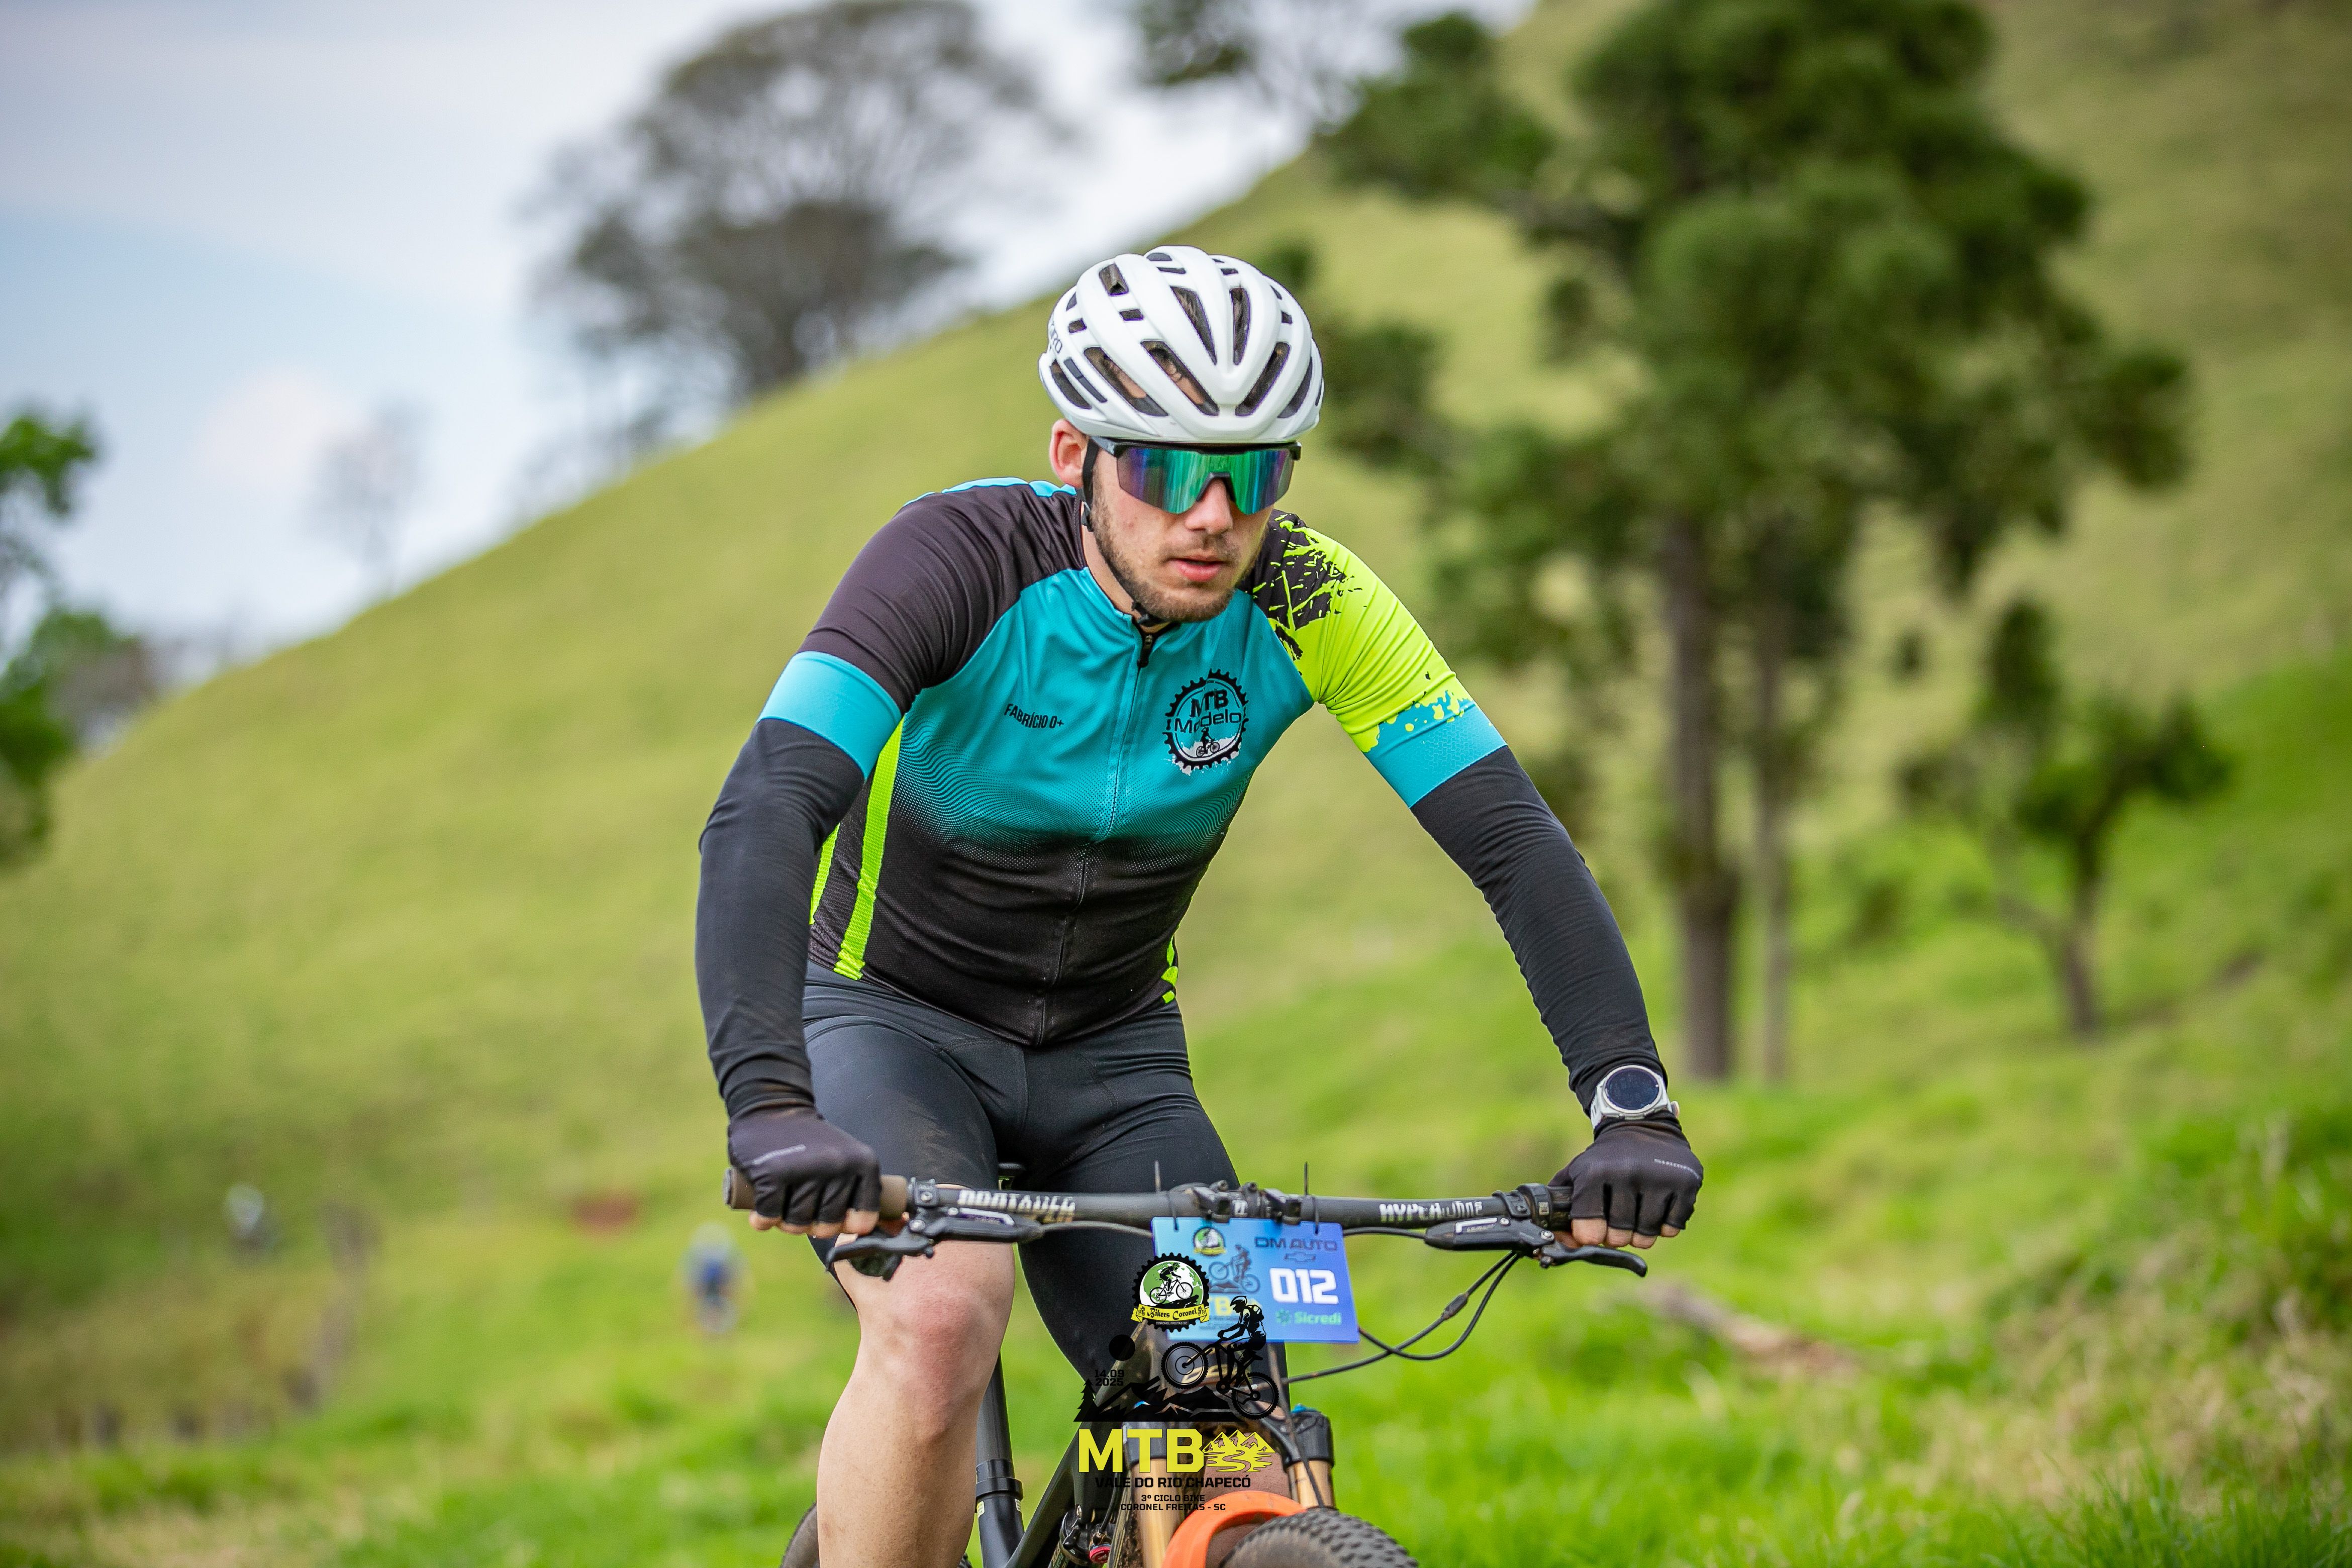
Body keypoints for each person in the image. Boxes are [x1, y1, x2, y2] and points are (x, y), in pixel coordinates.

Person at [696, 245, 1705, 1567]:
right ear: (1075, 455)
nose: (1216, 515)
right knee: (942, 1324)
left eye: (1257, 472)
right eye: (1168, 470)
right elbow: (769, 806)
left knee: (1225, 1392)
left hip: (1115, 1060)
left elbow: (1515, 844)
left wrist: (1631, 1107)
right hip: (891, 1025)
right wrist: (770, 1103)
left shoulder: (1309, 598)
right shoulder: (953, 559)